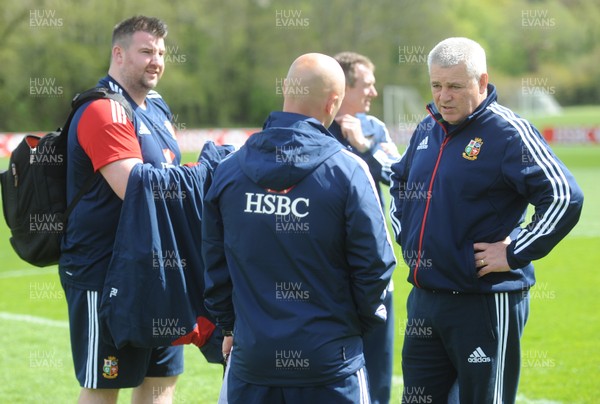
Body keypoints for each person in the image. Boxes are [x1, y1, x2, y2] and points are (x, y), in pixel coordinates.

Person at [389, 37, 584, 403]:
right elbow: (399, 180)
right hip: (425, 299)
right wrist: (407, 235)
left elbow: (563, 196)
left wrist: (513, 252)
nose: (443, 97)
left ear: (481, 82)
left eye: (454, 87)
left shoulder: (508, 133)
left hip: (483, 302)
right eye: (436, 86)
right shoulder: (426, 128)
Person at [203, 53, 396, 404]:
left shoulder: (229, 169)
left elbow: (214, 266)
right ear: (333, 102)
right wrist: (352, 331)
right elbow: (376, 267)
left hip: (253, 359)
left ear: (286, 93)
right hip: (330, 365)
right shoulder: (349, 170)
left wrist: (229, 327)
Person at [59, 16, 212, 403]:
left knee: (162, 381)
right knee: (103, 385)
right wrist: (204, 173)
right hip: (104, 272)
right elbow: (137, 188)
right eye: (146, 51)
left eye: (161, 52)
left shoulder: (159, 107)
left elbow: (169, 180)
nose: (156, 60)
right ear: (119, 53)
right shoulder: (103, 111)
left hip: (160, 270)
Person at [328, 51, 399, 404]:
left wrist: (364, 147)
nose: (373, 93)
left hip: (370, 267)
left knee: (378, 364)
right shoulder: (315, 125)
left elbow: (400, 177)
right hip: (323, 268)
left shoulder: (374, 128)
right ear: (344, 88)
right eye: (367, 85)